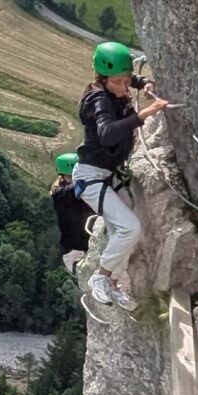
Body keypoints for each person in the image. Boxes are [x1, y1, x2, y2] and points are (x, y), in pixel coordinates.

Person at [73, 41, 170, 308]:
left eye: (126, 81)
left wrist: (144, 82)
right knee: (130, 227)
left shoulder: (115, 87)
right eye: (117, 82)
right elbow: (106, 133)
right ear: (102, 79)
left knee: (124, 231)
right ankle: (101, 278)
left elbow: (131, 78)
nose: (123, 87)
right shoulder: (99, 100)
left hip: (108, 175)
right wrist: (145, 114)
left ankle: (113, 284)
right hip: (91, 177)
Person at [50, 151, 92, 279]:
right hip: (75, 247)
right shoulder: (61, 193)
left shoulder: (62, 186)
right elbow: (78, 187)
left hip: (78, 236)